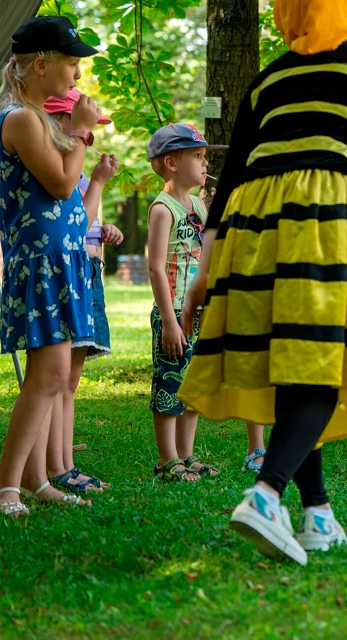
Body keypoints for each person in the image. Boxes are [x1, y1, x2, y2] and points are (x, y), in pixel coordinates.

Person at [177, 0, 347, 565]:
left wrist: (204, 271)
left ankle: (317, 515)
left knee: (294, 357)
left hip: (250, 228)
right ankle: (266, 494)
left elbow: (227, 181)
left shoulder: (266, 81)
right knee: (322, 362)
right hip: (327, 218)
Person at [0, 16, 102, 516]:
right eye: (71, 64)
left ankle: (36, 480)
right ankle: (5, 487)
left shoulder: (35, 117)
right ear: (40, 65)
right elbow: (59, 183)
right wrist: (79, 131)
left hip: (60, 263)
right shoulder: (20, 120)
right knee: (48, 377)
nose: (76, 75)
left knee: (51, 375)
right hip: (41, 264)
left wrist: (74, 134)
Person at [42, 89, 120, 495]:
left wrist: (104, 229)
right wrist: (101, 185)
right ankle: (58, 467)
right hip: (68, 273)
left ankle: (65, 463)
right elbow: (72, 225)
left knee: (69, 381)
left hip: (85, 271)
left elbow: (86, 224)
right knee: (56, 380)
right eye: (85, 130)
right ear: (61, 123)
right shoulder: (58, 171)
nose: (90, 140)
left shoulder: (77, 173)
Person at [146, 124, 220, 483]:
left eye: (205, 157)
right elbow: (156, 268)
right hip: (173, 312)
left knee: (194, 388)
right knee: (170, 384)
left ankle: (187, 456)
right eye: (198, 156)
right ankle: (167, 459)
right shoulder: (163, 209)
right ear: (172, 162)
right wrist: (169, 321)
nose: (205, 163)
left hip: (198, 311)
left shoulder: (199, 205)